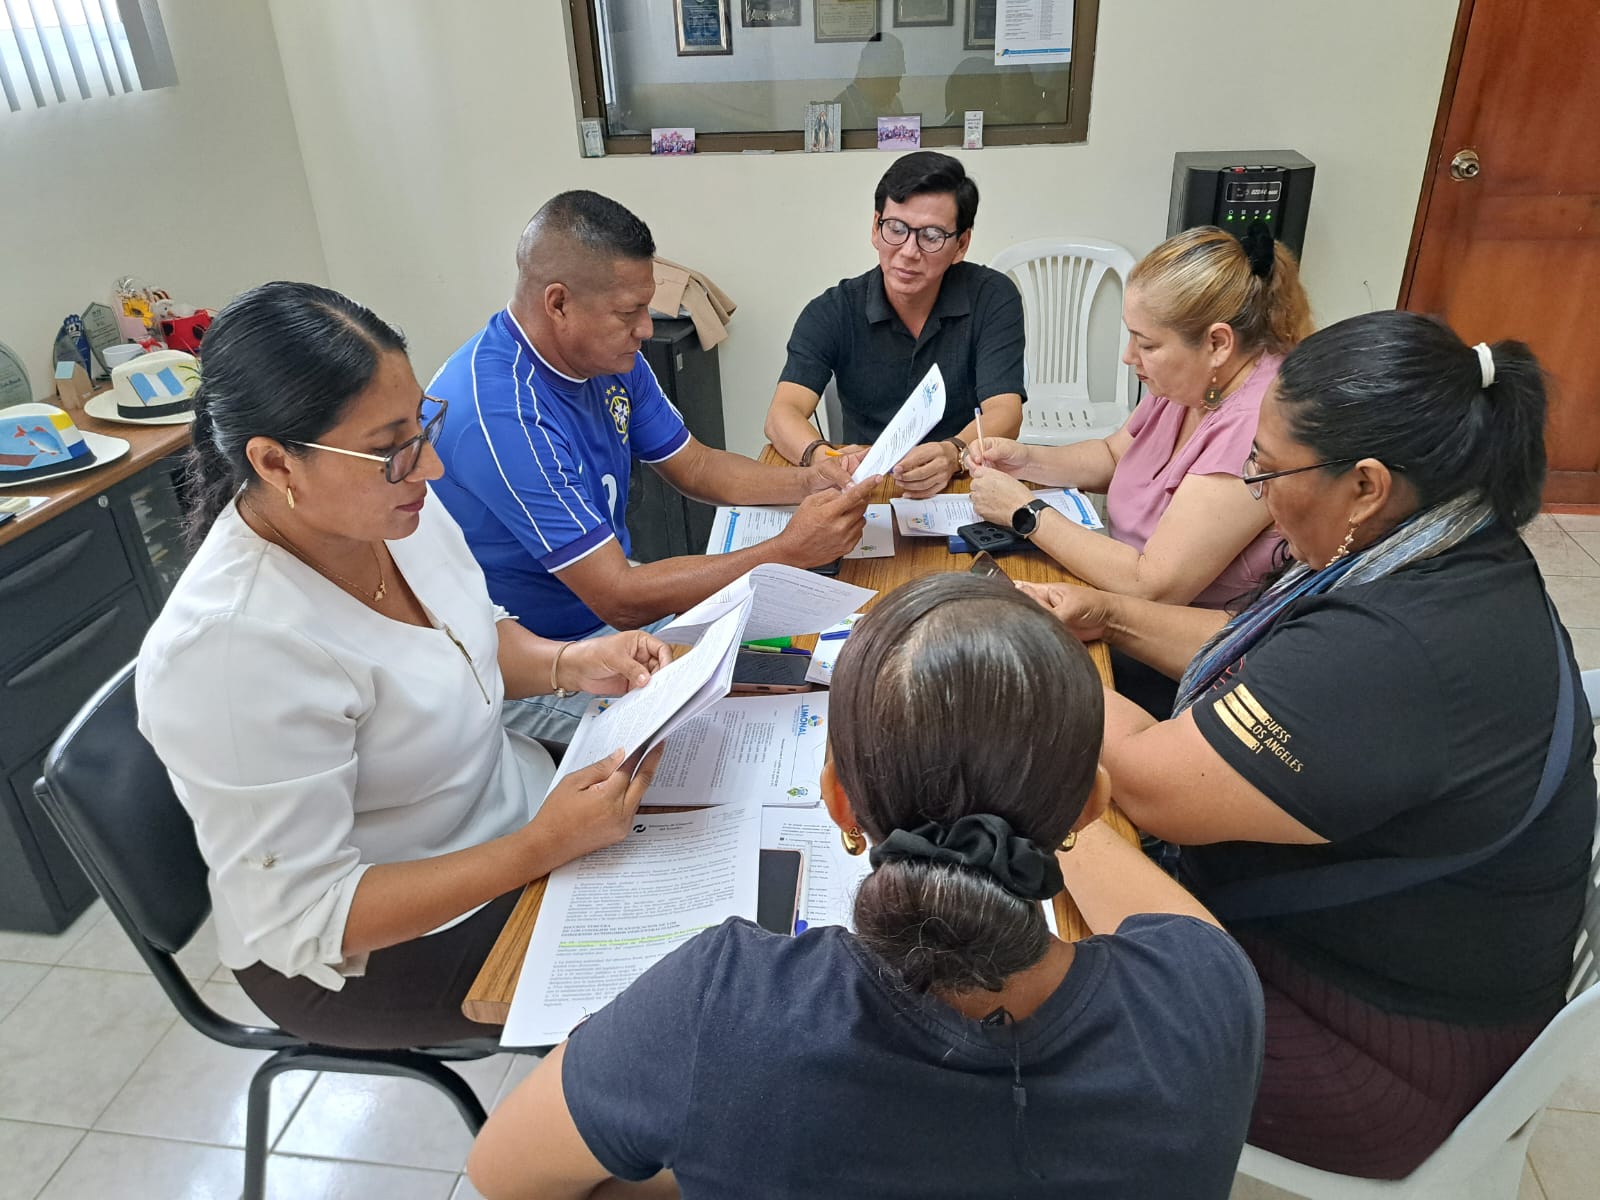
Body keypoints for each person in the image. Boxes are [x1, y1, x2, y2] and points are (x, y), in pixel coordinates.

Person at [1020, 310, 1598, 1179]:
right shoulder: (1446, 547)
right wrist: (1110, 618)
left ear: (1364, 486)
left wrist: (1012, 673)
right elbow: (1267, 655)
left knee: (1020, 957)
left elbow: (1142, 783)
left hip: (1376, 1056)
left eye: (1266, 469)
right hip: (1380, 962)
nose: (1256, 490)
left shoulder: (1399, 648)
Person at [465, 574, 1266, 1200]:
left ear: (839, 802)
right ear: (1092, 806)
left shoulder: (720, 1010)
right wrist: (1041, 797)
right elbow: (1183, 928)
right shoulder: (1206, 997)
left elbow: (503, 1175)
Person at [137, 282, 669, 1049]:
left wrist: (572, 662)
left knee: (702, 816)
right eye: (390, 446)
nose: (431, 466)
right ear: (276, 463)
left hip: (513, 810)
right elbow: (312, 914)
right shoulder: (229, 653)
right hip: (380, 945)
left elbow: (464, 638)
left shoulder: (391, 505)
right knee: (670, 1004)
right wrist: (540, 848)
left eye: (422, 425)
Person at [428, 191, 877, 740]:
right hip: (543, 663)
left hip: (612, 623)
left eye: (647, 306)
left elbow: (697, 465)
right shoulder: (501, 414)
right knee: (730, 734)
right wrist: (788, 551)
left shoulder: (608, 359)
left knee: (808, 674)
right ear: (558, 303)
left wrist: (810, 479)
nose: (646, 328)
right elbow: (618, 595)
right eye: (628, 312)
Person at [969, 224, 1310, 713]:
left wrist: (1026, 512)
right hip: (1116, 608)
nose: (1129, 357)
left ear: (1217, 343)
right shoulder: (1197, 382)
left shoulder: (1257, 422)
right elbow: (1114, 455)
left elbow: (1153, 584)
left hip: (1187, 664)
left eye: (1146, 344)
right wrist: (1025, 458)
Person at [764, 151, 1026, 499]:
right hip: (866, 484)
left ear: (961, 244)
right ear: (875, 228)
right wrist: (821, 455)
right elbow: (783, 413)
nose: (908, 251)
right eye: (896, 229)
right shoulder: (833, 311)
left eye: (931, 236)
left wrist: (953, 453)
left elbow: (1005, 411)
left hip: (964, 480)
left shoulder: (992, 297)